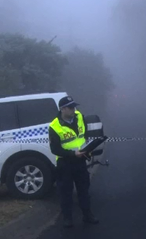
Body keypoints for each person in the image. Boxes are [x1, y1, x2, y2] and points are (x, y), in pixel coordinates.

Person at [48, 95, 99, 228]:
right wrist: (72, 154)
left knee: (84, 190)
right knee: (66, 192)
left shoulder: (79, 116)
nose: (73, 109)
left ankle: (87, 215)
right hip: (65, 164)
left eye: (74, 106)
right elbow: (55, 149)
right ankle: (67, 218)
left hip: (80, 161)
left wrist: (87, 148)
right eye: (71, 107)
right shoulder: (54, 126)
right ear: (63, 109)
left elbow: (85, 134)